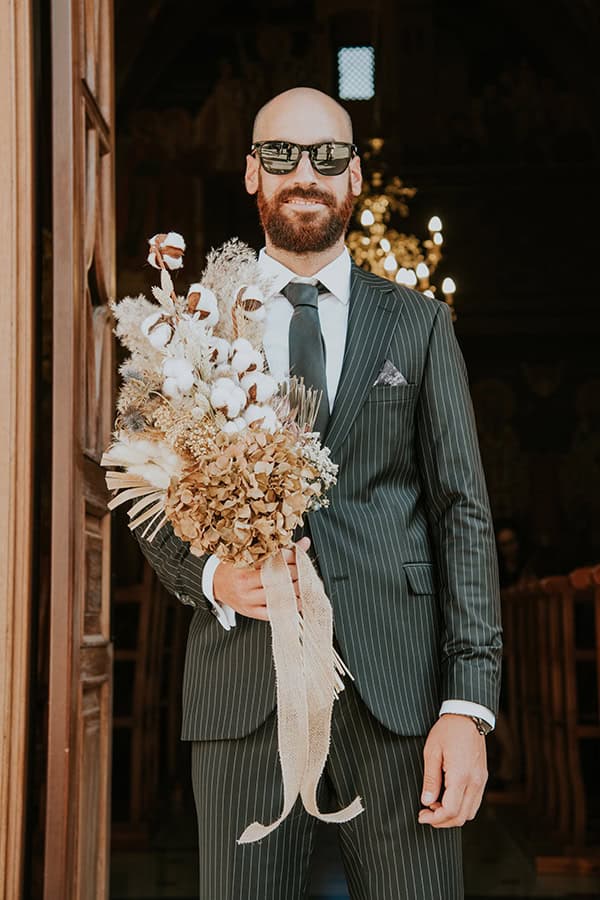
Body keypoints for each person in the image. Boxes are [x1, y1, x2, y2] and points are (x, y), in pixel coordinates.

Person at [135, 86, 503, 900]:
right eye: (282, 154)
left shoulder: (417, 325)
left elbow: (462, 514)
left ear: (356, 177)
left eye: (327, 156)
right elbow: (146, 493)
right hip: (242, 689)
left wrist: (468, 707)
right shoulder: (191, 328)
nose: (305, 172)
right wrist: (208, 578)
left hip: (400, 694)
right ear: (250, 174)